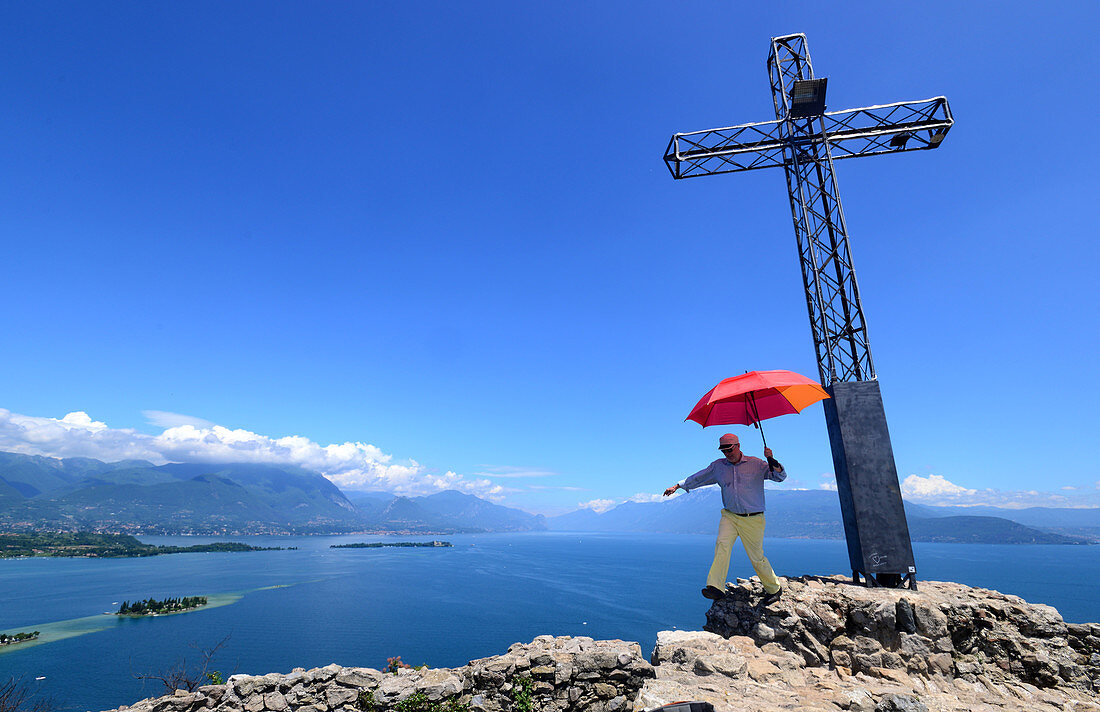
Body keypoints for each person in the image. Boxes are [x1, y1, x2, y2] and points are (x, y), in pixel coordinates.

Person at [663, 432, 786, 604]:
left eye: (729, 449)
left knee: (756, 557)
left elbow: (780, 477)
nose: (727, 453)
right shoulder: (718, 467)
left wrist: (772, 460)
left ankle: (774, 588)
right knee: (722, 546)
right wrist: (677, 486)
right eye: (723, 450)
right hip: (729, 515)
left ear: (738, 446)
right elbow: (699, 477)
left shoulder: (756, 464)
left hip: (753, 518)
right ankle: (716, 587)